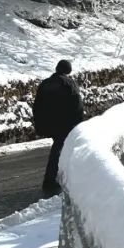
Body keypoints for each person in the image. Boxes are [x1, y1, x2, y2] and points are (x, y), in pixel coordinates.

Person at [32, 59, 85, 196]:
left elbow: (37, 106)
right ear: (68, 70)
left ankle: (54, 177)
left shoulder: (46, 83)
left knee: (58, 148)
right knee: (62, 149)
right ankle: (52, 180)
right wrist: (78, 122)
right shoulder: (69, 83)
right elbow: (77, 105)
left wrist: (39, 124)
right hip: (65, 123)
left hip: (50, 123)